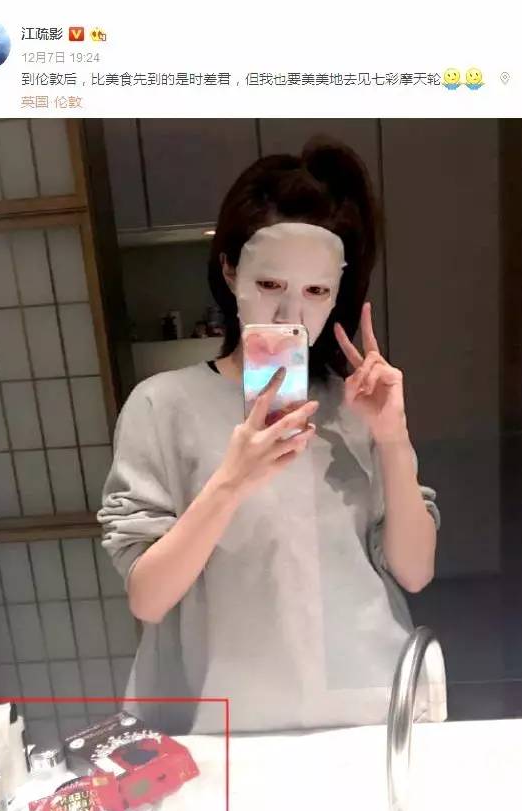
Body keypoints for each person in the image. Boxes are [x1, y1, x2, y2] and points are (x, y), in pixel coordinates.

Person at [97, 137, 442, 736]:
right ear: (230, 270)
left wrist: (392, 438)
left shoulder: (359, 403)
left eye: (316, 291)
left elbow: (414, 571)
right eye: (271, 284)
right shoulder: (162, 405)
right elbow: (148, 599)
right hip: (227, 727)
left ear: (337, 292)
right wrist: (230, 483)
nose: (290, 314)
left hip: (369, 711)